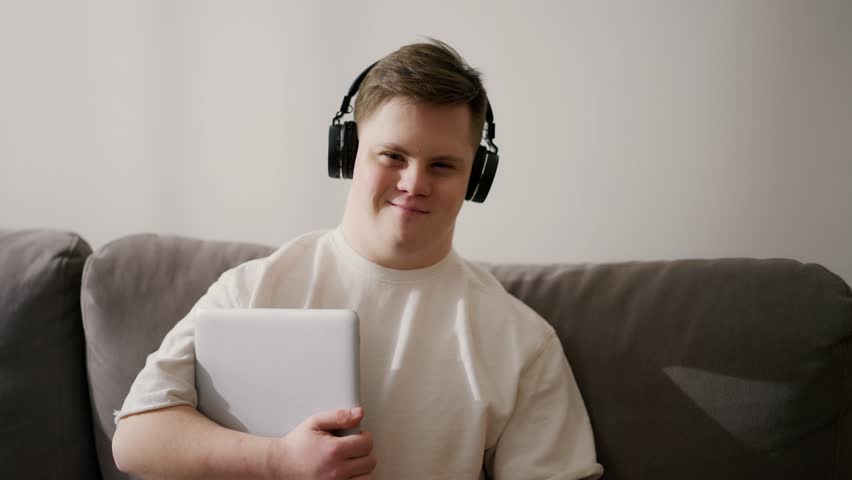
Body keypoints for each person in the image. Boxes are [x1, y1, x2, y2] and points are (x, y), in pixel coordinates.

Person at [112, 38, 603, 480]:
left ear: (476, 179)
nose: (414, 184)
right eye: (392, 156)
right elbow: (136, 439)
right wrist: (277, 460)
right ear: (347, 154)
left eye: (442, 165)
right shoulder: (252, 290)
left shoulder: (522, 342)